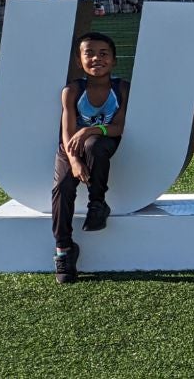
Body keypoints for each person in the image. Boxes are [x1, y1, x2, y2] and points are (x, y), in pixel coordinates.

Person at [51, 32, 130, 284]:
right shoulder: (72, 91)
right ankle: (64, 250)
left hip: (100, 141)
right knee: (62, 188)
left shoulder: (122, 88)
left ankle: (98, 203)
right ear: (79, 61)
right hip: (70, 148)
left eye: (103, 53)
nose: (97, 58)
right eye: (89, 53)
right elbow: (67, 132)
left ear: (114, 61)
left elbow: (119, 127)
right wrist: (74, 161)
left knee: (95, 144)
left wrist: (90, 129)